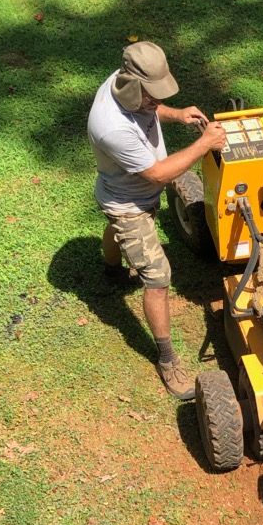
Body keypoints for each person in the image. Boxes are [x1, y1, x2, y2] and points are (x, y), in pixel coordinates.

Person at [87, 41, 226, 399]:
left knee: (117, 232)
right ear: (133, 86)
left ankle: (111, 270)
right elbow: (159, 174)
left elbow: (149, 110)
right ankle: (167, 360)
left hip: (125, 193)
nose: (154, 102)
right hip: (128, 204)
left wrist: (176, 114)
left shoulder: (123, 83)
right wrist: (203, 145)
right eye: (152, 96)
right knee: (158, 276)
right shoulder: (111, 127)